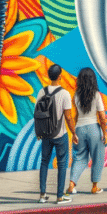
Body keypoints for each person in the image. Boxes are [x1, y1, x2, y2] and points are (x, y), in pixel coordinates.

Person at [38, 64, 77, 205]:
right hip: (60, 134)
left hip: (46, 134)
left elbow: (38, 114)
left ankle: (42, 195)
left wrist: (39, 131)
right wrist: (74, 133)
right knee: (61, 164)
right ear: (60, 76)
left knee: (44, 162)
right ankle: (59, 196)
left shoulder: (42, 92)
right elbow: (68, 117)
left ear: (49, 76)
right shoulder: (65, 93)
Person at [67, 67, 107, 195]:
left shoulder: (76, 96)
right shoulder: (96, 95)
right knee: (97, 157)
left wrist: (74, 133)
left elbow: (76, 116)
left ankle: (72, 184)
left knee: (79, 157)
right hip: (94, 129)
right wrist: (105, 133)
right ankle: (95, 187)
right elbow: (102, 117)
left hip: (79, 128)